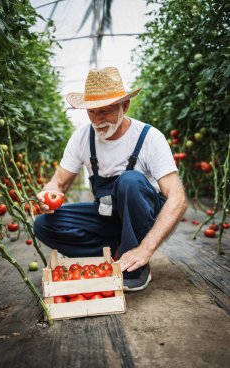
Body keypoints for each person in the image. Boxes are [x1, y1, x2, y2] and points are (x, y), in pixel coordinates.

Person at [34, 67, 187, 292]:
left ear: (125, 106)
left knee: (130, 181)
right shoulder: (82, 138)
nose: (98, 120)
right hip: (107, 215)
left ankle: (136, 265)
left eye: (105, 111)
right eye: (92, 112)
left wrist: (146, 248)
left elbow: (178, 198)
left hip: (143, 218)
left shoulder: (149, 138)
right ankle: (118, 251)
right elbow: (59, 182)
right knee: (44, 225)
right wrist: (48, 195)